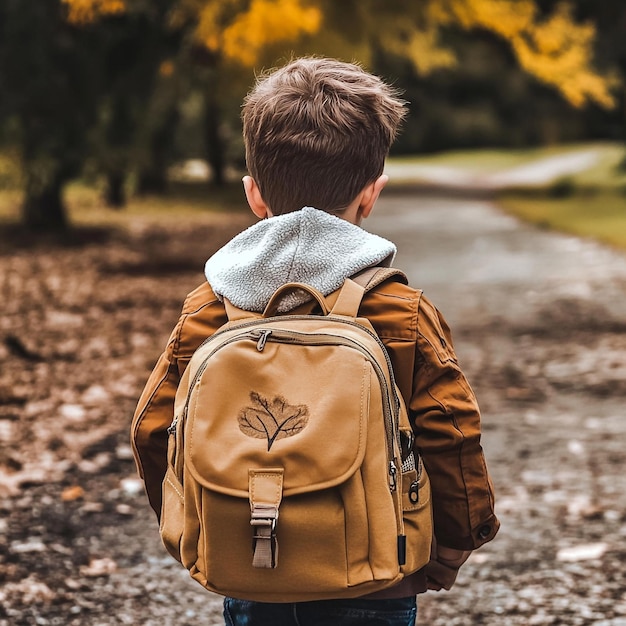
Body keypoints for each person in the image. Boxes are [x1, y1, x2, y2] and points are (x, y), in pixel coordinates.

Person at [130, 56, 499, 626]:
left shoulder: (209, 309)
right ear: (371, 195)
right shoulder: (400, 311)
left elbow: (152, 430)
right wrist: (454, 543)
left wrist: (198, 524)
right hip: (377, 575)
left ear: (254, 195)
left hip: (250, 571)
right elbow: (451, 430)